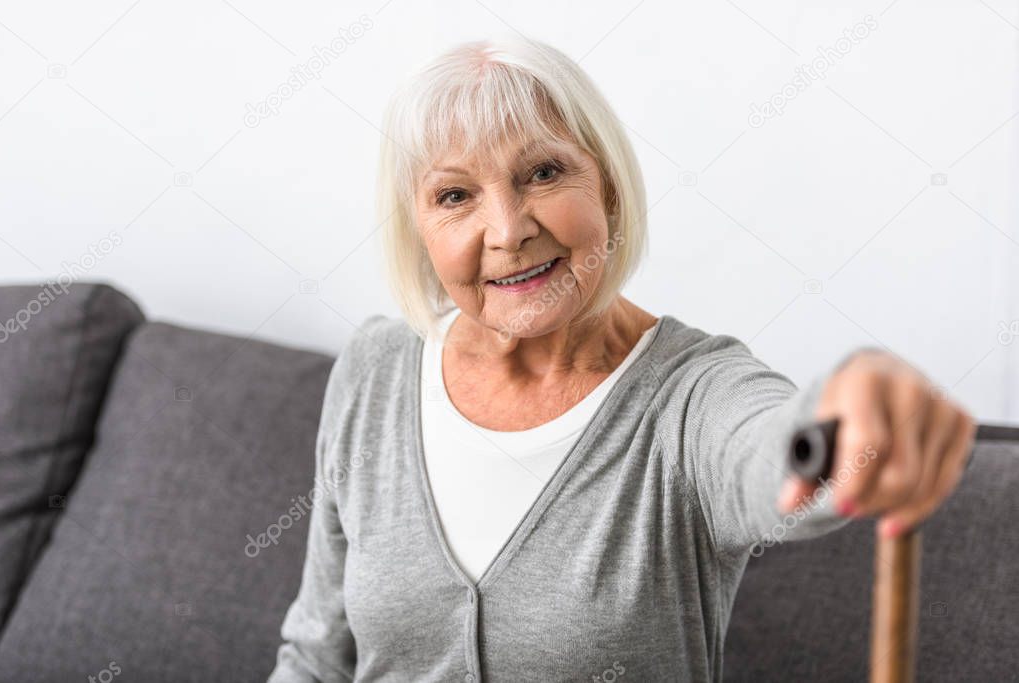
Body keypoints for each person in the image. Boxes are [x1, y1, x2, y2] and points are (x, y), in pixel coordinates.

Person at [267, 36, 976, 682]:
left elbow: (774, 456)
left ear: (605, 187)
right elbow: (315, 657)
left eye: (543, 172)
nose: (509, 230)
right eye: (455, 195)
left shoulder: (691, 397)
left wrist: (848, 411)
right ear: (417, 226)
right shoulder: (374, 369)